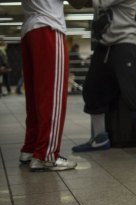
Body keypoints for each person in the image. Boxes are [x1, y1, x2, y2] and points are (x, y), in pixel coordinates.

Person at [71, 0, 136, 162]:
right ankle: (100, 138)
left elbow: (83, 2)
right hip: (105, 43)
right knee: (92, 89)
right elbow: (78, 4)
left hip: (125, 40)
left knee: (132, 92)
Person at [19, 0, 81, 171]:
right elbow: (78, 3)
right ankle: (46, 155)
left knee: (35, 97)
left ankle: (31, 149)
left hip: (29, 28)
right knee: (52, 96)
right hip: (49, 26)